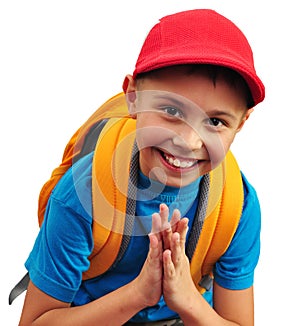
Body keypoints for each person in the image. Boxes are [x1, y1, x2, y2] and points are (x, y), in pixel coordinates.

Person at [18, 8, 265, 326]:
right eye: (171, 110)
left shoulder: (237, 206)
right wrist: (138, 294)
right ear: (133, 97)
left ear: (241, 123)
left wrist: (188, 300)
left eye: (216, 121)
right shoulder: (83, 195)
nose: (189, 141)